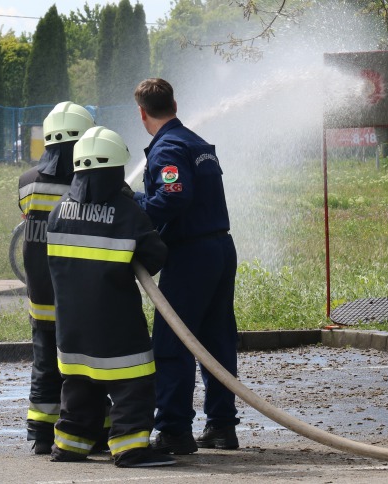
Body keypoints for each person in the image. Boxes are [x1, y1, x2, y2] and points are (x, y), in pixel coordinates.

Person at [45, 126, 174, 468]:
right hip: (115, 322)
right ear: (116, 169)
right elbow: (155, 256)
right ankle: (130, 447)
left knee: (79, 384)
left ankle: (70, 445)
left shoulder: (59, 211)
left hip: (71, 325)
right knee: (133, 381)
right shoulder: (126, 212)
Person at [133, 78, 241, 454]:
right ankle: (222, 427)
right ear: (174, 104)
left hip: (192, 254)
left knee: (173, 340)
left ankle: (174, 430)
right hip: (221, 249)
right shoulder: (197, 144)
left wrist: (134, 212)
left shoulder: (168, 148)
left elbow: (173, 196)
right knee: (216, 340)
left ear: (142, 112)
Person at [17, 101, 95, 455]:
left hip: (40, 293)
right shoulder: (89, 183)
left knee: (45, 364)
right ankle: (89, 431)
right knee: (85, 367)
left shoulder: (27, 182)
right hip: (79, 297)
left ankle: (41, 434)